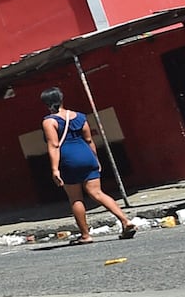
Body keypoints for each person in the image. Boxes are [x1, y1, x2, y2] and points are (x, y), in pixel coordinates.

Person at [40, 87, 136, 244]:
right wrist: (96, 159)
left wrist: (55, 169)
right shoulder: (80, 117)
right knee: (97, 193)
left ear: (46, 103)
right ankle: (125, 221)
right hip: (87, 156)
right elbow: (89, 140)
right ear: (62, 98)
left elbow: (54, 145)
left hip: (69, 160)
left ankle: (85, 235)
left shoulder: (49, 121)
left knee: (75, 198)